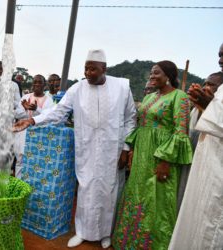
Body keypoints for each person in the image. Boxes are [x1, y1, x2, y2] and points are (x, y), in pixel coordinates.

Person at [14, 49, 136, 248]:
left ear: (104, 68)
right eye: (86, 68)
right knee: (86, 188)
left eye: (92, 69)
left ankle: (106, 234)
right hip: (86, 147)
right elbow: (58, 112)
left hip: (112, 149)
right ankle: (82, 231)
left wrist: (125, 147)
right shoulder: (77, 88)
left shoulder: (122, 87)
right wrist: (33, 120)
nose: (88, 73)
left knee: (110, 190)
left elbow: (131, 118)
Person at [112, 60, 193, 249]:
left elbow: (181, 132)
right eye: (151, 73)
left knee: (157, 200)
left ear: (168, 75)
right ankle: (129, 243)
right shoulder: (149, 98)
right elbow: (140, 127)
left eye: (156, 73)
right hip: (141, 155)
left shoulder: (179, 97)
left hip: (161, 156)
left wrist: (165, 161)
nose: (152, 76)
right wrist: (130, 150)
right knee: (137, 194)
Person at [168, 44, 223, 250]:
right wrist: (205, 106)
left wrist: (209, 107)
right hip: (201, 171)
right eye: (219, 55)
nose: (220, 59)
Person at [14, 74, 54, 178]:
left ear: (44, 85)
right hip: (23, 134)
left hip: (39, 136)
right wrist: (26, 109)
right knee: (20, 160)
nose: (37, 84)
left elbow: (48, 118)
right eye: (35, 82)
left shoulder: (48, 100)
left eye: (39, 82)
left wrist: (36, 109)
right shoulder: (26, 97)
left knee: (35, 163)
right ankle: (19, 185)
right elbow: (17, 114)